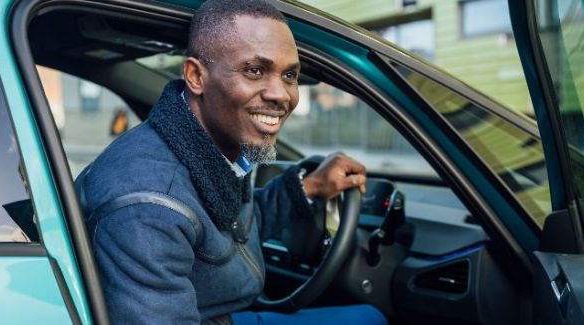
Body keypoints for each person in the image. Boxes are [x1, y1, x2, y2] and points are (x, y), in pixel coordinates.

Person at [74, 1, 386, 324]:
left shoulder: (217, 146)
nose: (282, 95)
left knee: (368, 316)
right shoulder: (147, 206)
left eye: (290, 75)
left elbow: (232, 227)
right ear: (196, 76)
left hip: (223, 315)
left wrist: (307, 188)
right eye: (255, 70)